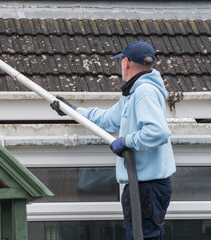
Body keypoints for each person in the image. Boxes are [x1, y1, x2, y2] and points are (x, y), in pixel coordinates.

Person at [50, 41, 176, 240]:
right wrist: (73, 111)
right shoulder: (133, 93)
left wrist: (126, 142)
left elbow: (158, 132)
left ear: (126, 62)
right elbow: (108, 120)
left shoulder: (144, 92)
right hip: (144, 186)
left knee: (144, 236)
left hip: (147, 187)